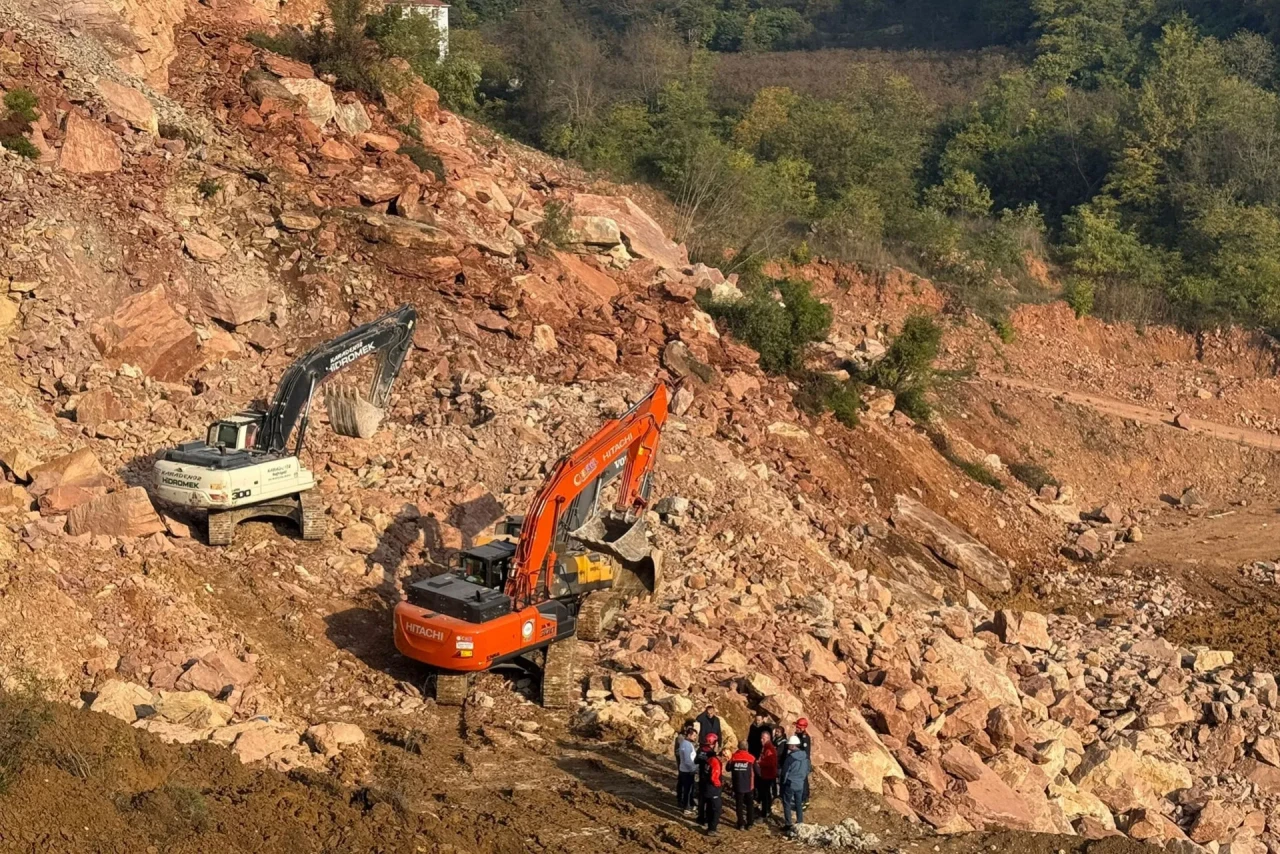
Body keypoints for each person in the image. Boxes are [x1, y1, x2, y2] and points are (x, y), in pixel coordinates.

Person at [780, 734, 810, 834]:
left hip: (790, 783)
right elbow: (808, 770)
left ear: (793, 746)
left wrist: (783, 783)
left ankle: (788, 824)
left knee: (787, 803)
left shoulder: (790, 758)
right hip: (800, 784)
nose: (788, 746)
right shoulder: (805, 757)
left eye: (789, 745)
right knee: (798, 803)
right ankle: (800, 821)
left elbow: (784, 772)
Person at [697, 733, 724, 836]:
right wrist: (719, 784)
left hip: (703, 778)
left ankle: (702, 818)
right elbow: (714, 776)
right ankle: (711, 827)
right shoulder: (712, 756)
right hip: (711, 783)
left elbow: (696, 760)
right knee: (715, 807)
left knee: (703, 800)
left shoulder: (701, 750)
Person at [728, 740, 756, 830]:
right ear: (747, 747)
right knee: (749, 805)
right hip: (749, 785)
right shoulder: (751, 758)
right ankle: (750, 823)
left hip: (737, 785)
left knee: (739, 805)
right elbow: (758, 771)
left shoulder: (733, 757)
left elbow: (727, 768)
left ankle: (741, 824)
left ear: (738, 747)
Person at [756, 730, 778, 820]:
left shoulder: (769, 749)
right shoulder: (766, 747)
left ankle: (765, 813)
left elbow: (771, 763)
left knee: (765, 794)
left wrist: (760, 763)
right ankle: (767, 810)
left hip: (768, 774)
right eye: (761, 738)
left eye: (763, 738)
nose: (761, 740)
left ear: (768, 738)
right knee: (766, 794)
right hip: (767, 774)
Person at [675, 727, 697, 814]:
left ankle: (689, 804)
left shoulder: (685, 743)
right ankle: (687, 807)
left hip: (684, 769)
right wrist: (693, 769)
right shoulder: (686, 745)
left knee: (687, 789)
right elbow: (687, 760)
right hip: (687, 771)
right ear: (689, 735)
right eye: (694, 735)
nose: (695, 737)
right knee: (688, 790)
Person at [795, 717, 813, 807]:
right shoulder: (798, 735)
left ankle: (805, 799)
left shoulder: (805, 737)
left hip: (803, 761)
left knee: (803, 781)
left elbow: (805, 752)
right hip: (799, 761)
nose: (796, 728)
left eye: (798, 727)